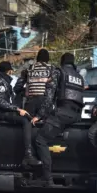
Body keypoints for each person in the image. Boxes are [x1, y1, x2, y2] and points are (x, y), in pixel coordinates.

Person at [31, 53, 84, 186]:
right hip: (77, 116)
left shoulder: (58, 72)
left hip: (63, 113)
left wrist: (39, 115)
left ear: (62, 62)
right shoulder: (79, 77)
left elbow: (49, 98)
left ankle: (47, 178)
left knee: (40, 140)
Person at [0, 61, 42, 167]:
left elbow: (13, 93)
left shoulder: (3, 81)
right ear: (8, 71)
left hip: (2, 112)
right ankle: (28, 155)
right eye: (11, 71)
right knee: (25, 120)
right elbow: (0, 101)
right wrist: (17, 109)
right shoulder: (1, 82)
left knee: (26, 117)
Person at [14, 49, 55, 116]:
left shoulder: (29, 69)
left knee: (29, 122)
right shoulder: (51, 68)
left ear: (37, 58)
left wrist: (25, 91)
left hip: (30, 102)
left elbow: (17, 88)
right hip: (45, 103)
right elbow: (54, 87)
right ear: (48, 58)